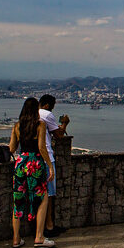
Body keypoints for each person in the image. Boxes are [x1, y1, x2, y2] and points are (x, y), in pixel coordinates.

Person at [9, 97, 55, 248]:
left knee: (18, 199)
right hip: (35, 162)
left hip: (21, 163)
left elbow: (12, 148)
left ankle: (16, 239)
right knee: (42, 197)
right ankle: (39, 237)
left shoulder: (17, 126)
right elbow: (42, 147)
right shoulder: (39, 125)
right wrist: (50, 166)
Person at [38, 94, 70, 237]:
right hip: (47, 158)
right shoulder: (47, 114)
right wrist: (65, 123)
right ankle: (49, 226)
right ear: (47, 105)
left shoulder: (32, 115)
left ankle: (39, 227)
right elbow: (59, 135)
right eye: (53, 105)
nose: (53, 108)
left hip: (32, 159)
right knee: (49, 194)